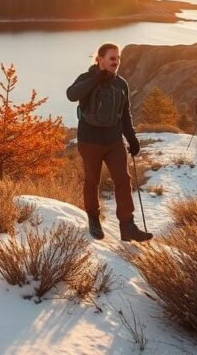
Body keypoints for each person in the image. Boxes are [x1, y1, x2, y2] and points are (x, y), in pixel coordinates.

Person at [66, 43, 152, 243]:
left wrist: (132, 138)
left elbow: (125, 114)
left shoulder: (121, 84)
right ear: (100, 59)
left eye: (118, 58)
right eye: (112, 58)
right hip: (90, 140)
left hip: (114, 141)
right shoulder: (86, 78)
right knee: (92, 180)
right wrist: (97, 78)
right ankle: (93, 218)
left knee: (123, 180)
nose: (116, 62)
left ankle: (127, 226)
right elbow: (71, 95)